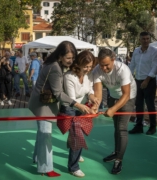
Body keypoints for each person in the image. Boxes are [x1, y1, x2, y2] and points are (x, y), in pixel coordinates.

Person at [28, 41, 91, 177]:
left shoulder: (54, 63)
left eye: (73, 58)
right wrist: (77, 104)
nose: (71, 61)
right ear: (60, 55)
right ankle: (46, 168)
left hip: (40, 101)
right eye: (68, 58)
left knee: (41, 133)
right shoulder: (55, 68)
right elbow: (58, 93)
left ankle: (37, 158)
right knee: (45, 135)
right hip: (43, 106)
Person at [93, 48, 136, 174]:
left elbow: (126, 95)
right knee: (116, 127)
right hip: (113, 96)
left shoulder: (123, 69)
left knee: (122, 128)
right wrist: (95, 106)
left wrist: (112, 109)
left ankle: (119, 159)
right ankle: (116, 152)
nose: (104, 69)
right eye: (101, 65)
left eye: (106, 65)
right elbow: (99, 94)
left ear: (113, 60)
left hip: (128, 97)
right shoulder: (97, 70)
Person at [60, 50, 98, 178]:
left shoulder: (87, 76)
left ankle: (75, 153)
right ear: (78, 64)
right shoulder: (69, 76)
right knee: (78, 137)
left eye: (90, 66)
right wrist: (85, 108)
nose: (88, 69)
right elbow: (71, 99)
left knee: (77, 135)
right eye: (86, 66)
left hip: (80, 107)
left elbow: (89, 91)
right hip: (70, 108)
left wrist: (93, 98)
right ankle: (73, 167)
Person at [129, 32, 157, 135]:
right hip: (137, 80)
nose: (146, 40)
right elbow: (132, 65)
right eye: (143, 39)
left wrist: (146, 80)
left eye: (147, 39)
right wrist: (128, 78)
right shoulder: (136, 51)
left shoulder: (154, 51)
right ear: (140, 40)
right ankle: (139, 126)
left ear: (149, 39)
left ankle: (152, 127)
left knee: (150, 105)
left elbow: (155, 67)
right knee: (138, 105)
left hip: (149, 81)